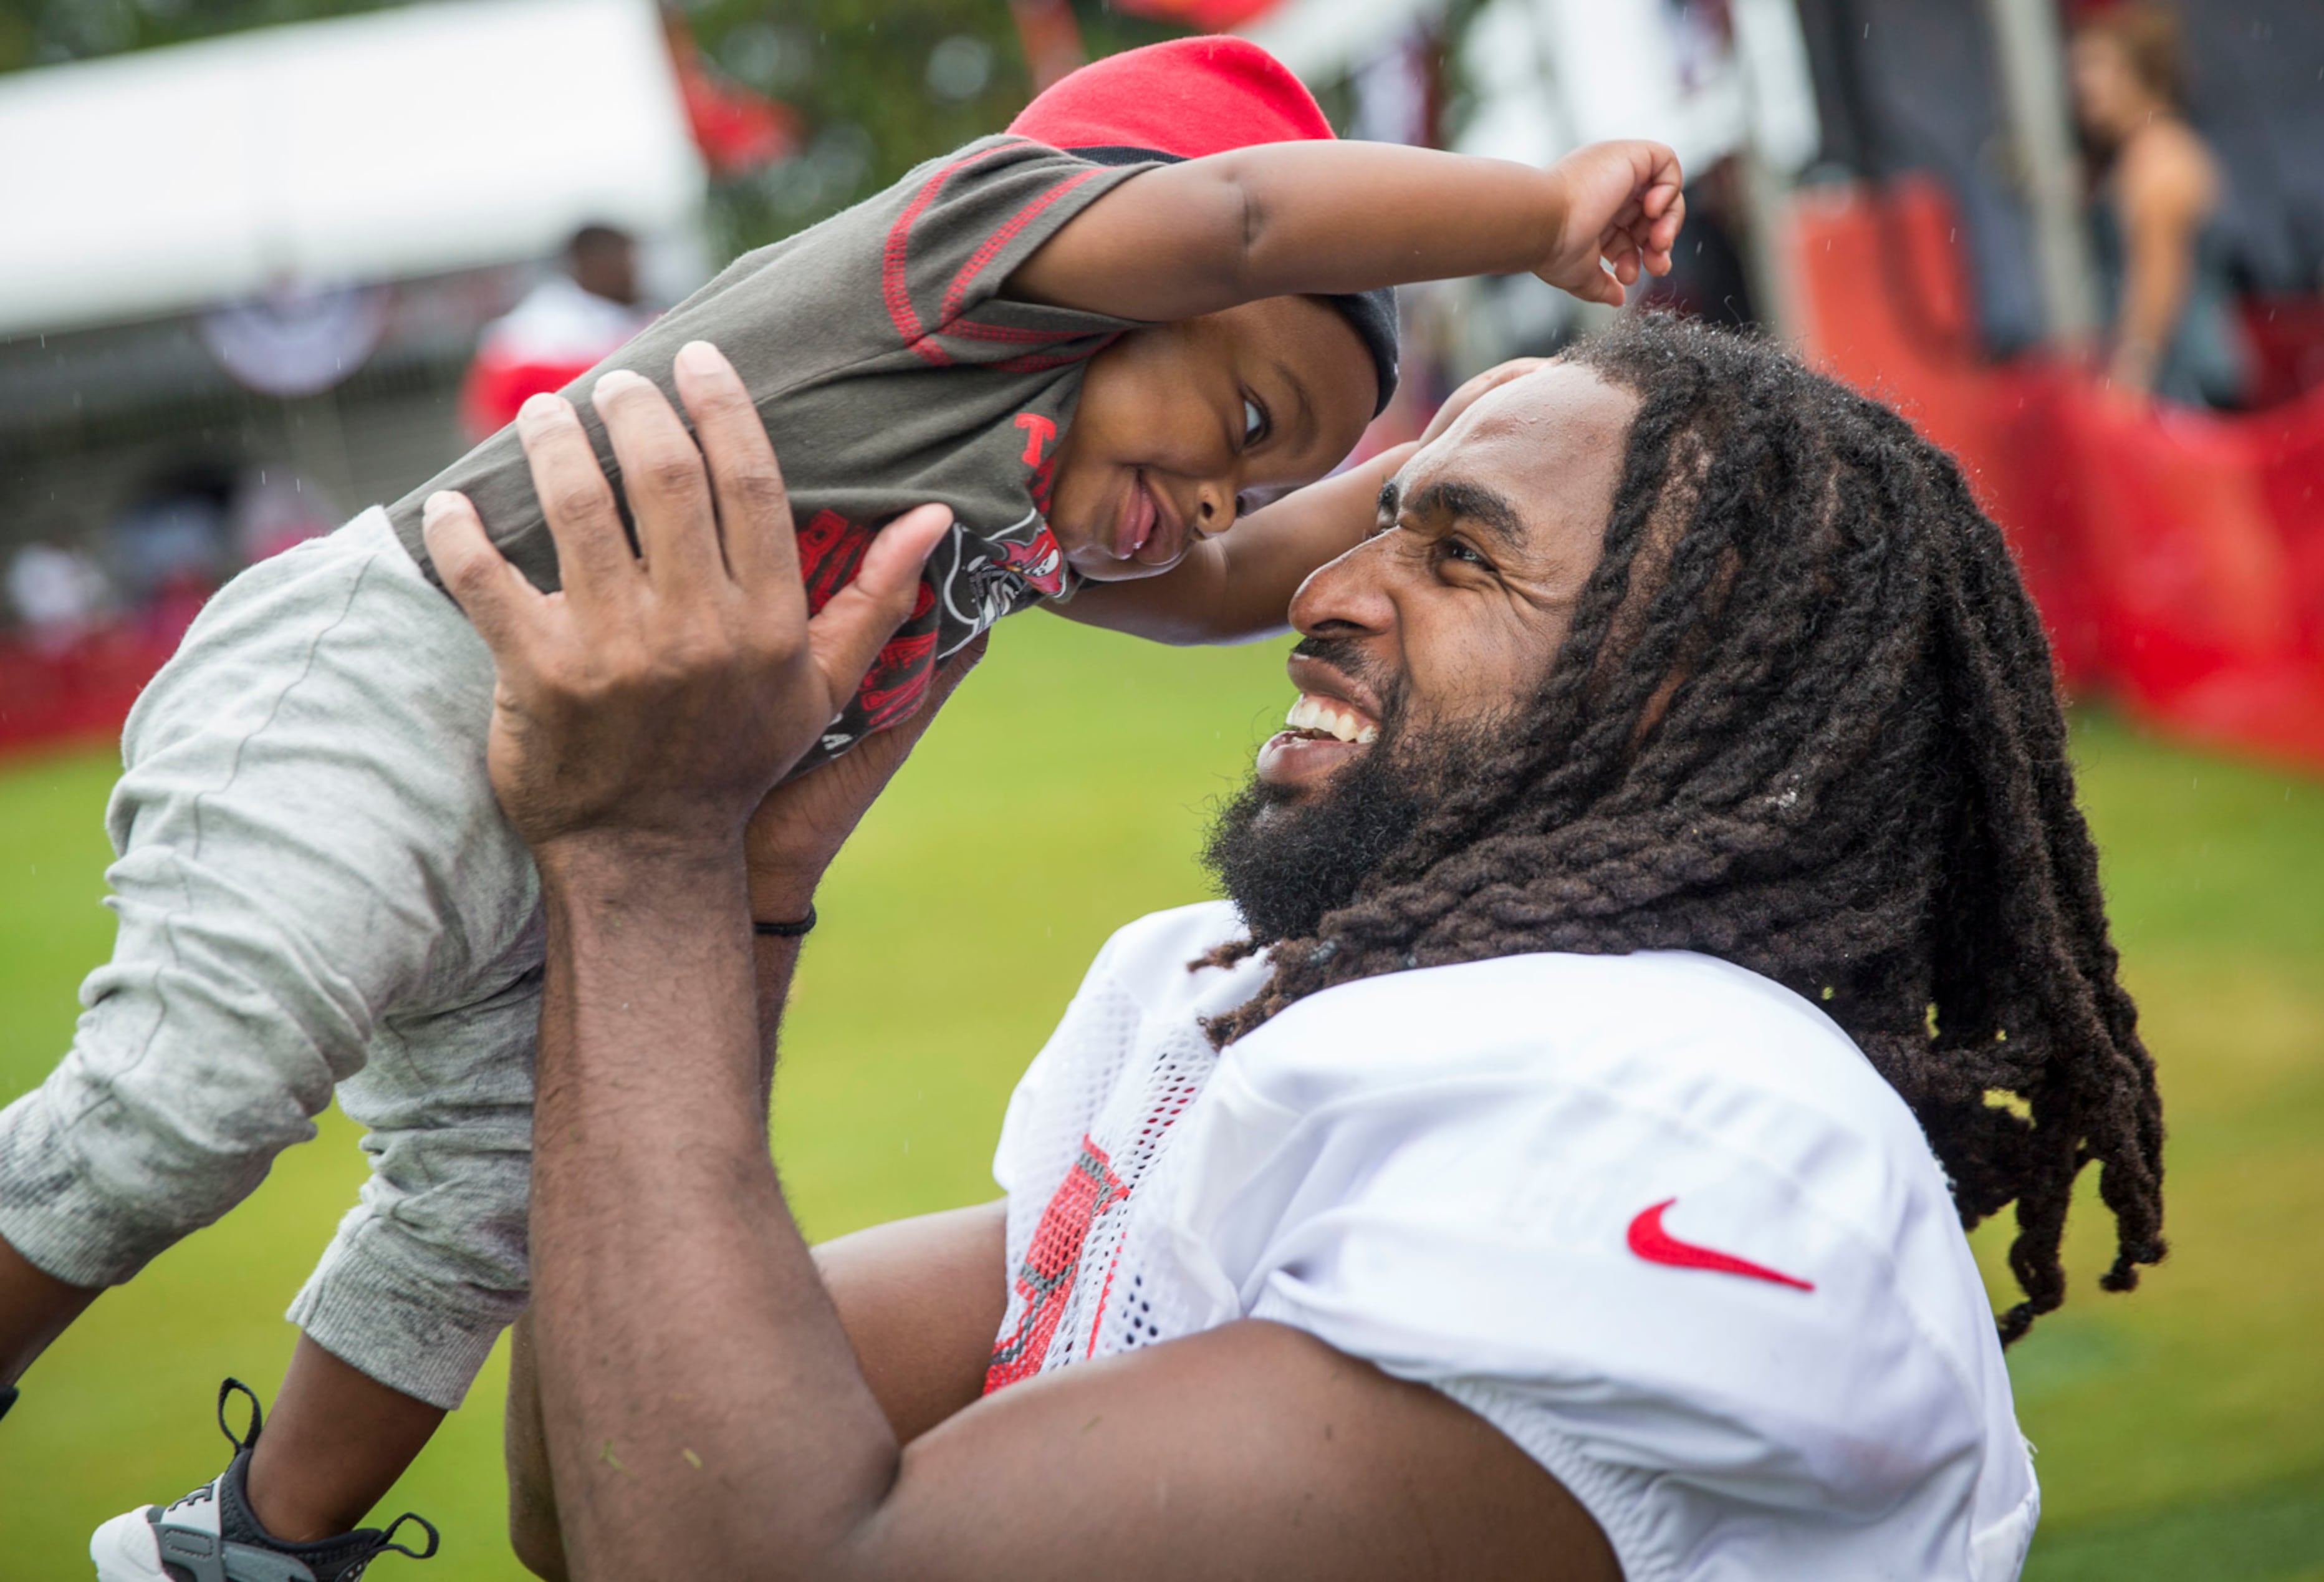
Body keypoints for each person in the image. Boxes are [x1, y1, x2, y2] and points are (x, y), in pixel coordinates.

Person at [1, 36, 1687, 1582]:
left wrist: (1449, 473)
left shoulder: (1032, 515)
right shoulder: (949, 276)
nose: (1209, 504)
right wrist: (1535, 211)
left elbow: (1228, 576)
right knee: (198, 1090)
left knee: (486, 1210)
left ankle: (250, 1544)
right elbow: (1246, 218)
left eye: (1249, 476)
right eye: (1240, 422)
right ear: (1112, 258)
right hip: (412, 670)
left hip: (582, 815)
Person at [441, 316, 2148, 1580]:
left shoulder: (1699, 1116)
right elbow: (596, 1498)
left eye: (1460, 552)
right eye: (1384, 512)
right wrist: (749, 874)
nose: (1326, 584)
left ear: (1689, 703)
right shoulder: (1273, 1006)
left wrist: (646, 858)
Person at [2068, 2, 2249, 408]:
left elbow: (2159, 277)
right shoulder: (2139, 152)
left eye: (2094, 68)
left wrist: (2130, 379)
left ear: (2138, 72)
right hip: (2188, 373)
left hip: (2185, 381)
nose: (2081, 86)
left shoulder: (2157, 158)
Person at [457, 225, 656, 442]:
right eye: (626, 260)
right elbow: (490, 422)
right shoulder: (533, 335)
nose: (635, 272)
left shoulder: (636, 316)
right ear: (590, 262)